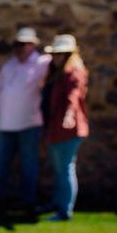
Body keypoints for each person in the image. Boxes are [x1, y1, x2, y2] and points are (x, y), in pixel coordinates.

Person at [0, 27, 51, 212]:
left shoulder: (42, 63)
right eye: (18, 44)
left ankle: (28, 199)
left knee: (29, 163)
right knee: (2, 163)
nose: (21, 48)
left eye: (25, 44)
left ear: (33, 45)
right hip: (7, 122)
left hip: (29, 122)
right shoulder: (9, 66)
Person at [39, 34, 89, 221]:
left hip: (68, 128)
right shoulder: (56, 72)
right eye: (56, 54)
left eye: (62, 54)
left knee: (66, 169)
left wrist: (69, 115)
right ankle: (57, 202)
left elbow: (73, 96)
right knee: (59, 170)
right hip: (55, 127)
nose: (58, 57)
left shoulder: (74, 72)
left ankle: (64, 210)